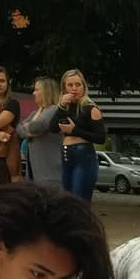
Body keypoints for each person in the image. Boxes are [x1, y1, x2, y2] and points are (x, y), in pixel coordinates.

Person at [52, 69, 105, 200]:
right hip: (66, 155)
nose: (74, 89)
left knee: (79, 200)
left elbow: (100, 137)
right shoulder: (65, 107)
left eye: (78, 85)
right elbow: (52, 128)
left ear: (84, 86)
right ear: (64, 88)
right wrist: (61, 106)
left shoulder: (90, 108)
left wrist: (75, 130)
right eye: (70, 85)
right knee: (66, 200)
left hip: (83, 156)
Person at [16, 77, 63, 187]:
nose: (33, 93)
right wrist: (29, 132)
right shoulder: (35, 113)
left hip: (50, 173)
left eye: (37, 90)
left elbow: (37, 126)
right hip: (35, 173)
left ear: (46, 92)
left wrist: (28, 128)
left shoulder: (53, 110)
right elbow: (19, 129)